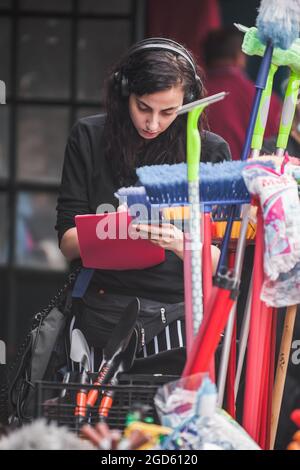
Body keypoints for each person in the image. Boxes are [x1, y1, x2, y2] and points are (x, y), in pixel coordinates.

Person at [56, 38, 231, 374]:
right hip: (102, 308)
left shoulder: (208, 152)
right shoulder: (89, 137)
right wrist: (112, 228)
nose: (153, 123)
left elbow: (221, 264)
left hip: (179, 313)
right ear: (124, 94)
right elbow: (66, 244)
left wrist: (179, 243)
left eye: (168, 112)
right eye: (143, 107)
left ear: (189, 102)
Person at [202, 27, 282, 160]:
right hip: (248, 171)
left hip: (200, 173)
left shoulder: (192, 94)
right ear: (239, 56)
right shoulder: (261, 95)